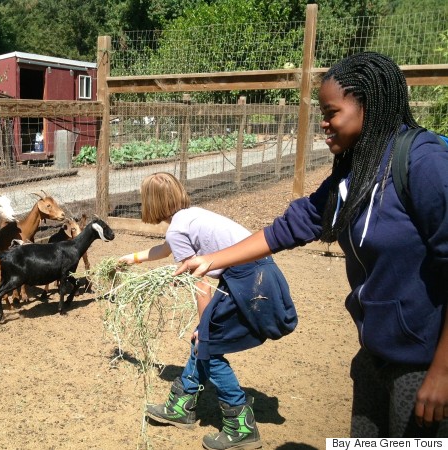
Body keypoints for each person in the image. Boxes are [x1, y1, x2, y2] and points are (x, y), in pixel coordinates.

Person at [175, 52, 448, 438]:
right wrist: (209, 259)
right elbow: (291, 227)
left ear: (367, 104)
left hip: (423, 365)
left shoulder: (424, 162)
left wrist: (443, 372)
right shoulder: (356, 169)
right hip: (376, 355)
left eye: (331, 111)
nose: (324, 123)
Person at [119, 172, 297, 450]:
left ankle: (240, 426)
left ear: (150, 203)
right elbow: (167, 250)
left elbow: (200, 284)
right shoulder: (190, 216)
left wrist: (204, 326)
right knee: (201, 344)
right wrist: (133, 258)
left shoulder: (177, 229)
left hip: (248, 281)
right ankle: (181, 404)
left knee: (208, 344)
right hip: (259, 272)